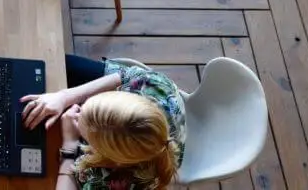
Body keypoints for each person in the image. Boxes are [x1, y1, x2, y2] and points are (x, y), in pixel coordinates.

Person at [21, 56, 185, 189]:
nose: (76, 111)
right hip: (157, 134)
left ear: (107, 155)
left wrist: (69, 146)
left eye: (85, 135)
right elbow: (122, 75)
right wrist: (64, 97)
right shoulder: (155, 86)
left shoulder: (111, 181)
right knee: (53, 63)